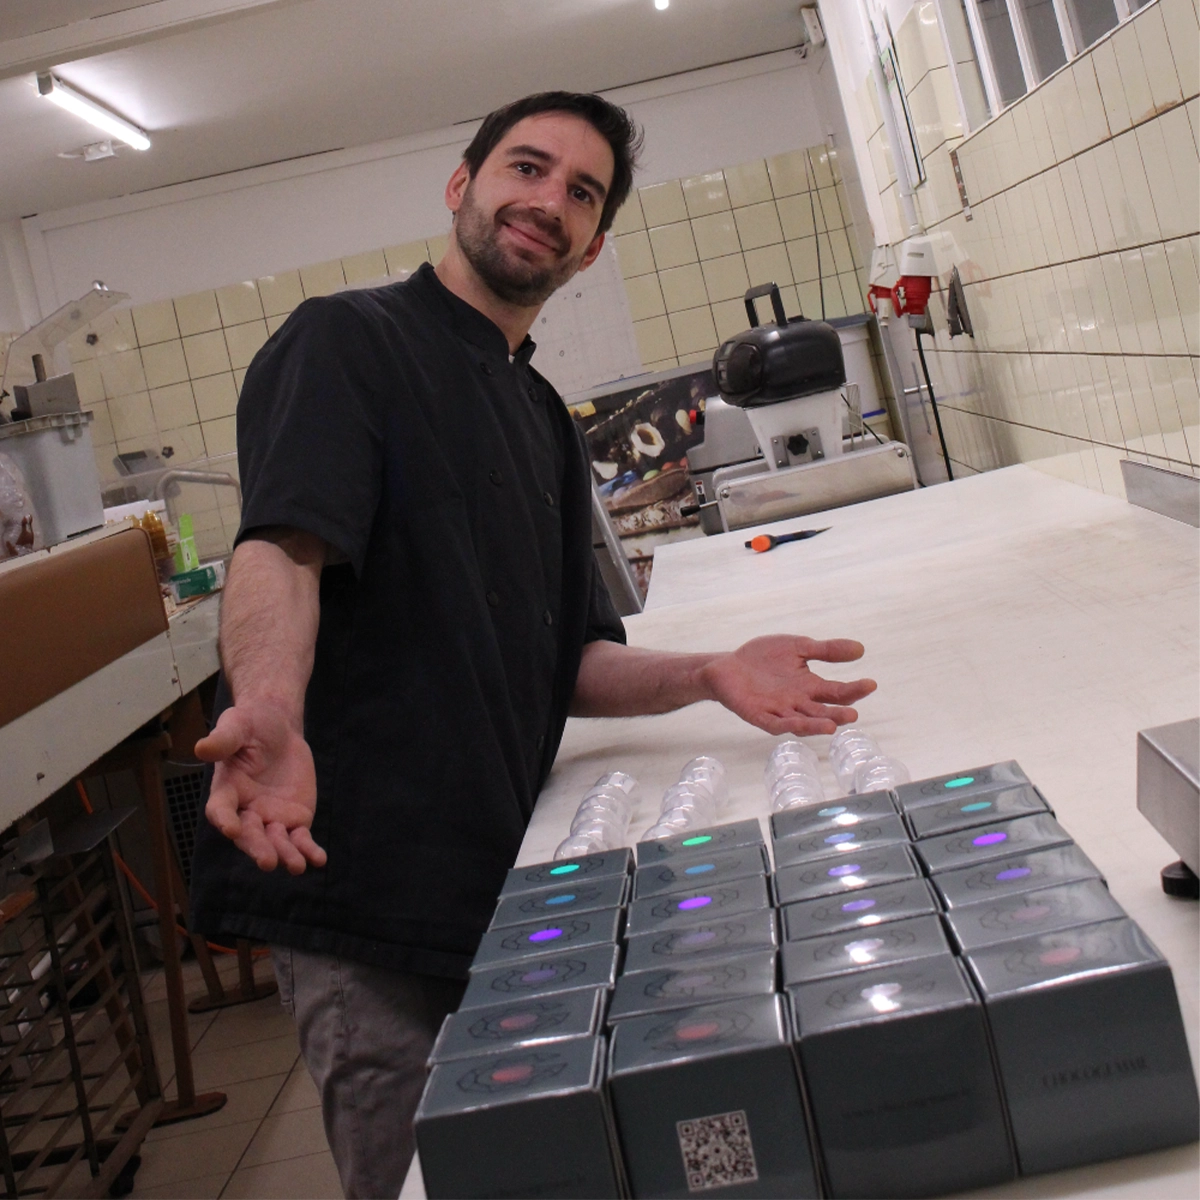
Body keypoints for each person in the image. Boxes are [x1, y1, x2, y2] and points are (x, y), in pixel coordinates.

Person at [190, 90, 876, 1198]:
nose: (547, 200)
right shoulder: (347, 342)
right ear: (463, 186)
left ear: (593, 247)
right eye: (526, 168)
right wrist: (267, 700)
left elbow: (568, 668)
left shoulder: (542, 425)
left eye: (581, 192)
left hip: (506, 880)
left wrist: (707, 673)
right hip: (358, 883)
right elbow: (285, 548)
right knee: (433, 1181)